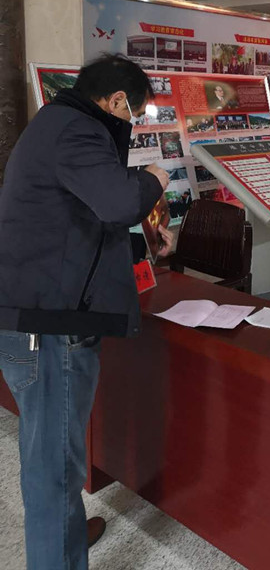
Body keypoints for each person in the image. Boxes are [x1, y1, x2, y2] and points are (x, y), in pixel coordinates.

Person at [0, 55, 169, 570]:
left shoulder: (60, 123)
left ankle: (67, 536)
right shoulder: (76, 130)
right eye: (135, 113)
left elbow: (80, 222)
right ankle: (57, 554)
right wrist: (155, 179)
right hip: (49, 328)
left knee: (58, 456)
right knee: (53, 468)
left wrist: (143, 244)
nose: (134, 122)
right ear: (117, 101)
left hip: (43, 314)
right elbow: (117, 203)